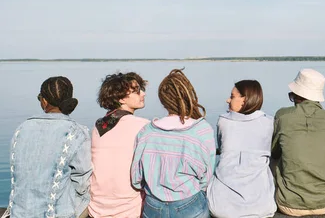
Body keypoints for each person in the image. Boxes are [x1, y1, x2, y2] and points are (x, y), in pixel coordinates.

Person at [3, 76, 92, 218]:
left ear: (44, 101)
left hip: (18, 213)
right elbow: (82, 181)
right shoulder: (77, 132)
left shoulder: (22, 128)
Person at [131, 69, 215, 218]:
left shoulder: (147, 132)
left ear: (163, 100)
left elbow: (136, 178)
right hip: (190, 202)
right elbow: (206, 177)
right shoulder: (202, 130)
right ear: (188, 95)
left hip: (153, 205)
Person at [271, 69, 325, 217]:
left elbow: (274, 152)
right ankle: (324, 192)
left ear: (297, 95)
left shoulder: (282, 116)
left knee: (273, 158)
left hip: (287, 205)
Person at [207, 80, 277, 218]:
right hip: (261, 207)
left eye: (232, 96)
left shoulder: (223, 121)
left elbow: (221, 148)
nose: (227, 100)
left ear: (245, 100)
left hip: (221, 207)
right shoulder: (269, 122)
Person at [88, 72, 150, 218]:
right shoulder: (144, 127)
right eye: (137, 91)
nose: (143, 93)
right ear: (121, 98)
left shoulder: (97, 127)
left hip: (96, 207)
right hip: (129, 209)